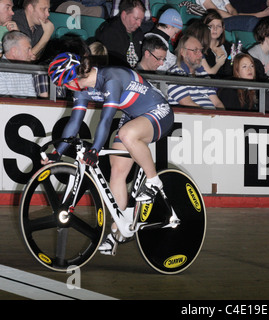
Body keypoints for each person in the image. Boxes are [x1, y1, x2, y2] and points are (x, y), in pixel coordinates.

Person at [45, 52, 174, 254]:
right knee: (117, 171)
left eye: (65, 83)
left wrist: (95, 150)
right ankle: (119, 230)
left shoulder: (111, 78)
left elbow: (105, 120)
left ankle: (153, 180)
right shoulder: (82, 88)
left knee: (127, 134)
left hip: (158, 110)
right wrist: (57, 153)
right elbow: (74, 122)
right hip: (134, 115)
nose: (66, 88)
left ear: (76, 77)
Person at [167, 35, 225, 109]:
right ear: (182, 52)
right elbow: (187, 103)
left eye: (200, 50)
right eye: (195, 50)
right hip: (193, 118)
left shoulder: (203, 73)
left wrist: (222, 116)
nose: (200, 54)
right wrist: (210, 116)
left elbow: (217, 102)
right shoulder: (175, 74)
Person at [96, 0, 145, 68]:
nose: (139, 24)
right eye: (136, 19)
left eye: (141, 20)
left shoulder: (139, 33)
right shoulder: (110, 33)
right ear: (124, 15)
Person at [196, 0, 269, 31]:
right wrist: (235, 17)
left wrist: (235, 17)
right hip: (219, 20)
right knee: (252, 22)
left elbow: (231, 9)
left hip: (231, 17)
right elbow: (215, 11)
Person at [0, 30, 37, 97]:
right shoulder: (1, 69)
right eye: (28, 50)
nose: (31, 54)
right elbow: (4, 101)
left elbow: (32, 97)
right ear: (14, 51)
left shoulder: (27, 69)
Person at [201, 9, 232, 76]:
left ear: (222, 30)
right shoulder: (200, 48)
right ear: (204, 27)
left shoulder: (229, 46)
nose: (215, 29)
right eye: (211, 26)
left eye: (218, 26)